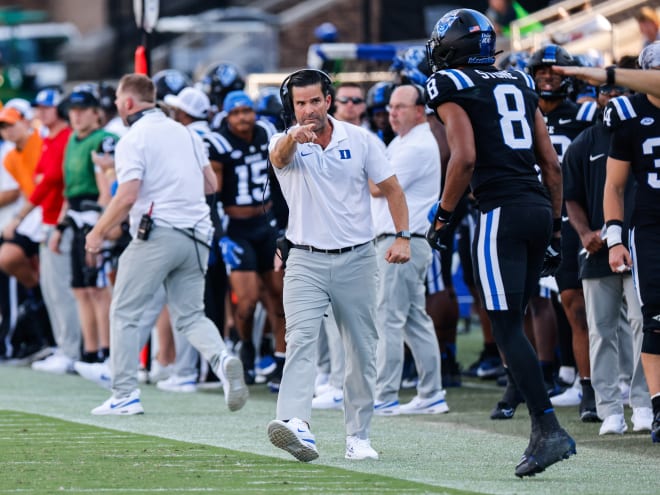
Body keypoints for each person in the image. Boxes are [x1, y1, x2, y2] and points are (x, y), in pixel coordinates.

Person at [424, 9, 574, 477]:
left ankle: (548, 427)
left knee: (506, 326)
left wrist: (444, 216)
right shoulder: (519, 80)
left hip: (498, 210)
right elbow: (550, 163)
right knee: (520, 316)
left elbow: (464, 158)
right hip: (534, 206)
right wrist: (553, 226)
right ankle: (532, 413)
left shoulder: (448, 83)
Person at [266, 68, 410, 462]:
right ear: (291, 107)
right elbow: (279, 155)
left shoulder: (360, 139)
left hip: (358, 258)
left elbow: (392, 189)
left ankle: (358, 436)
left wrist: (403, 236)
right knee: (300, 340)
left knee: (362, 350)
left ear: (328, 101)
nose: (309, 109)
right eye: (300, 103)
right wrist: (293, 137)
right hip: (305, 259)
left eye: (315, 101)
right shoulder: (284, 144)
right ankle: (296, 424)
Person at [83, 73, 248, 415]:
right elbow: (210, 184)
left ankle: (125, 393)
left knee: (125, 311)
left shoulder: (133, 138)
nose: (115, 104)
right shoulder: (187, 133)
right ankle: (222, 358)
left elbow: (127, 194)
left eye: (117, 99)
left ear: (128, 102)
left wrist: (98, 230)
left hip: (158, 231)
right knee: (191, 315)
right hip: (198, 234)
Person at [563, 79, 651, 432]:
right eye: (604, 92)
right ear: (597, 97)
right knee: (600, 330)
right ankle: (609, 409)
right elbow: (571, 196)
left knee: (644, 326)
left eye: (618, 91)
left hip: (638, 244)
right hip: (597, 248)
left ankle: (643, 404)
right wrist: (585, 233)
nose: (610, 97)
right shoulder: (585, 141)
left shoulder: (640, 132)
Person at [371, 84, 446, 416]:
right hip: (406, 238)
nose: (392, 112)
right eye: (390, 106)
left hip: (402, 239)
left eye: (400, 107)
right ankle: (431, 392)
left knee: (389, 316)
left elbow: (377, 188)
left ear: (420, 111)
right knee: (413, 318)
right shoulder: (403, 141)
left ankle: (385, 394)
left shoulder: (415, 145)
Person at [204, 89, 286, 389]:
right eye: (236, 113)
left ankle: (280, 360)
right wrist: (220, 234)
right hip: (237, 228)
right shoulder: (218, 142)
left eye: (247, 111)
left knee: (280, 296)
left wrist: (283, 222)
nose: (243, 118)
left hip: (267, 223)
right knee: (248, 301)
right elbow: (212, 194)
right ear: (227, 116)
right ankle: (246, 348)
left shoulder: (266, 131)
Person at [603, 41, 660, 443]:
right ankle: (658, 407)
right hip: (652, 227)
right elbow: (614, 186)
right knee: (656, 320)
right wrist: (614, 239)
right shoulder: (628, 115)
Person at [6, 89, 81, 374]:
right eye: (39, 108)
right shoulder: (49, 139)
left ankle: (71, 350)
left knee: (62, 289)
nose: (41, 113)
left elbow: (51, 182)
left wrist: (24, 216)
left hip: (59, 220)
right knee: (52, 289)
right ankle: (64, 346)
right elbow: (41, 182)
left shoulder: (63, 138)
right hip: (47, 220)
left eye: (46, 108)